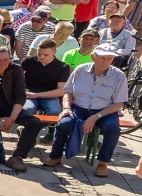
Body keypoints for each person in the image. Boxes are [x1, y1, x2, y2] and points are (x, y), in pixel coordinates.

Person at [45, 44, 129, 176]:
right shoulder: (80, 70)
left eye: (109, 58)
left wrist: (96, 116)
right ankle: (55, 156)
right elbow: (68, 92)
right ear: (93, 57)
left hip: (105, 111)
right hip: (79, 108)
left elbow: (118, 104)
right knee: (62, 124)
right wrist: (66, 107)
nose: (105, 61)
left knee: (113, 129)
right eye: (102, 58)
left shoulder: (119, 76)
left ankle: (103, 162)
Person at [23, 37, 71, 118]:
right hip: (29, 94)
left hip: (50, 95)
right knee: (26, 109)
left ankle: (48, 129)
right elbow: (16, 78)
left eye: (45, 55)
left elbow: (62, 91)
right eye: (39, 54)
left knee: (55, 111)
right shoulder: (28, 61)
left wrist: (37, 95)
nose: (41, 57)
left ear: (54, 52)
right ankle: (27, 127)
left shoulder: (62, 67)